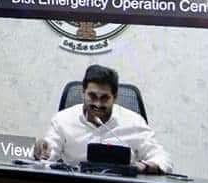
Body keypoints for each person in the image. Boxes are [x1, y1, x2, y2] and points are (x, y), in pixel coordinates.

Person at [33, 65, 172, 173]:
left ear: (115, 97)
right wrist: (42, 152)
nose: (98, 104)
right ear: (83, 93)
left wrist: (145, 166)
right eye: (92, 96)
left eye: (104, 98)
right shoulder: (63, 119)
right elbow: (47, 156)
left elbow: (163, 159)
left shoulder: (134, 122)